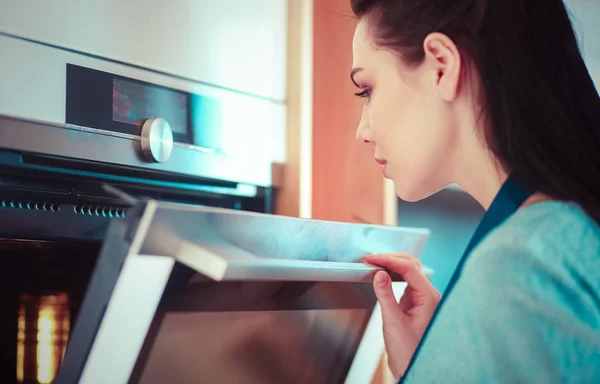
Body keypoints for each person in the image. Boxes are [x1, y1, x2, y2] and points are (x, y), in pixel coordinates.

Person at [350, 0, 600, 382]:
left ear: (441, 66)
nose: (362, 130)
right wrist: (444, 356)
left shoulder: (520, 266)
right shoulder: (563, 234)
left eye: (366, 90)